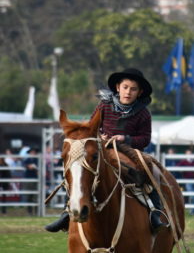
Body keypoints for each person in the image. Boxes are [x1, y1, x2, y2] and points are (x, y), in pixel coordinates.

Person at [45, 68, 167, 233]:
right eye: (125, 87)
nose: (128, 92)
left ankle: (155, 213)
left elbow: (145, 138)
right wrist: (98, 136)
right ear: (118, 87)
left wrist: (125, 139)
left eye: (133, 89)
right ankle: (67, 213)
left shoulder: (143, 113)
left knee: (150, 168)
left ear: (140, 92)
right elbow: (91, 127)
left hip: (127, 149)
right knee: (80, 167)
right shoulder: (104, 105)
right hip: (102, 146)